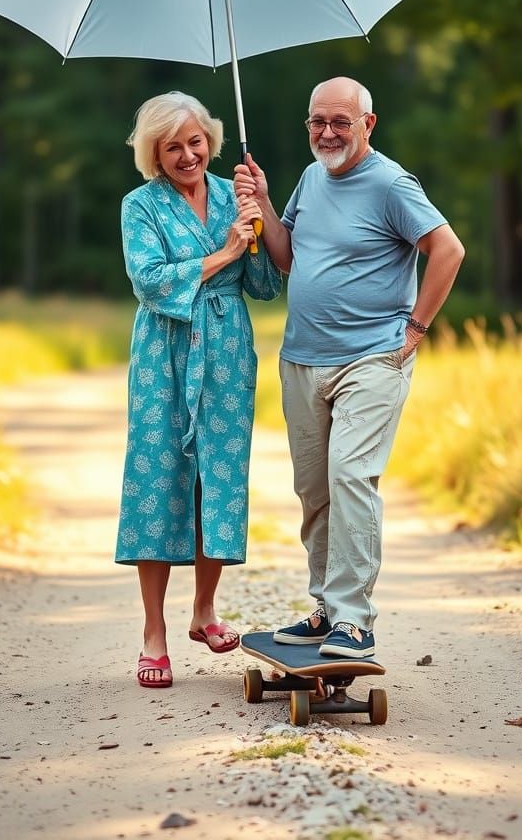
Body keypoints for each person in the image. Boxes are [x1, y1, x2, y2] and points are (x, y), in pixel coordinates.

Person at [233, 76, 464, 659]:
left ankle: (354, 621)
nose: (328, 132)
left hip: (372, 358)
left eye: (340, 121)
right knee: (314, 489)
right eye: (317, 122)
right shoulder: (312, 177)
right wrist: (261, 202)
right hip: (302, 358)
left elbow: (449, 250)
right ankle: (327, 609)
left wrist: (415, 329)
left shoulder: (391, 184)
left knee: (351, 477)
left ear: (368, 123)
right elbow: (288, 258)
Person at [116, 91, 281, 688]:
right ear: (153, 153)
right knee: (160, 478)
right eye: (172, 146)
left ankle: (204, 610)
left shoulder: (233, 197)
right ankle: (154, 633)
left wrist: (257, 218)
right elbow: (149, 282)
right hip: (165, 351)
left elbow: (263, 284)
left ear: (210, 141)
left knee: (219, 477)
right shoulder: (141, 205)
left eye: (195, 141)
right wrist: (225, 251)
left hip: (228, 351)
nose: (187, 154)